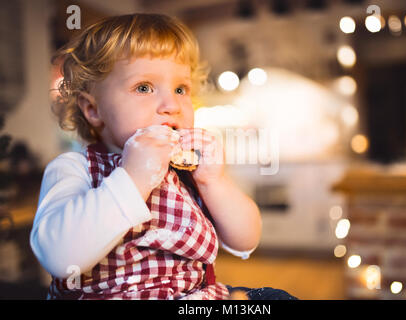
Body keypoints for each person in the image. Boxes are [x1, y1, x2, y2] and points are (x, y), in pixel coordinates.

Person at [30, 13, 296, 300]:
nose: (172, 105)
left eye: (181, 89)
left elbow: (246, 242)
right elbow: (60, 258)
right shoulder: (75, 168)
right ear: (93, 110)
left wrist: (213, 182)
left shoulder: (186, 170)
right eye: (143, 87)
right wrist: (133, 178)